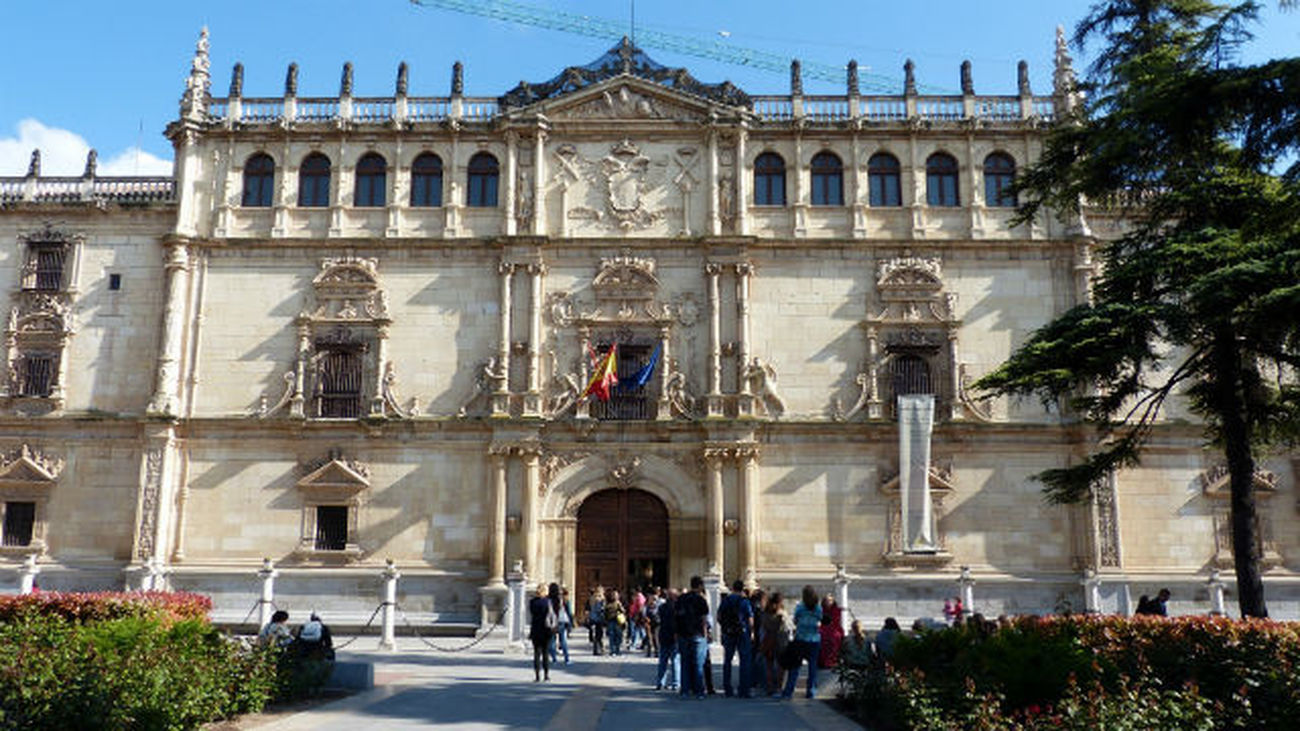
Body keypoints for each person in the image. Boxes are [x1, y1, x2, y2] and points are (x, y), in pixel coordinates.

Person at [781, 585, 823, 700]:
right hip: (814, 640)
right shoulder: (818, 608)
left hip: (800, 639)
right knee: (812, 667)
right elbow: (821, 620)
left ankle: (788, 691)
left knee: (794, 667)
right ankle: (811, 691)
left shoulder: (800, 607)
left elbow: (795, 620)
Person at [675, 576, 710, 699]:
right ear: (700, 586)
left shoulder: (681, 598)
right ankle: (699, 691)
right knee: (698, 664)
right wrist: (706, 635)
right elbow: (704, 619)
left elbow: (677, 617)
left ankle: (685, 690)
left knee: (685, 663)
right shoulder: (701, 600)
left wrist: (677, 634)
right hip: (697, 634)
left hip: (683, 634)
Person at [718, 580, 754, 698]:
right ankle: (744, 690)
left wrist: (724, 627)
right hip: (742, 632)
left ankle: (728, 689)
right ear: (742, 588)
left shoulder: (726, 600)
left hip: (729, 632)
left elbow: (719, 616)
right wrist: (751, 631)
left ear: (732, 587)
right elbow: (750, 619)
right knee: (744, 661)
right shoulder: (745, 601)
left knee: (727, 660)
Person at [760, 592, 792, 697]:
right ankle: (779, 687)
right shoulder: (782, 613)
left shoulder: (765, 613)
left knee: (769, 665)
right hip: (781, 641)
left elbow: (763, 627)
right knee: (781, 666)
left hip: (768, 640)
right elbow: (788, 627)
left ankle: (769, 688)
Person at [528, 584, 557, 681]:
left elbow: (531, 613)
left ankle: (537, 676)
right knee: (545, 653)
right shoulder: (548, 602)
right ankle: (546, 675)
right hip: (546, 630)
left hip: (535, 629)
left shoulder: (532, 602)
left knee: (536, 653)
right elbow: (552, 614)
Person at [654, 588, 679, 691]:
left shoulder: (661, 607)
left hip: (663, 635)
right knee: (675, 661)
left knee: (663, 661)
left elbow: (657, 620)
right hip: (674, 636)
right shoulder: (677, 608)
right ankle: (676, 683)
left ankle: (660, 682)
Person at [548, 582, 572, 666]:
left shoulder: (548, 600)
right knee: (563, 640)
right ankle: (566, 658)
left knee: (552, 640)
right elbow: (568, 612)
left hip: (553, 621)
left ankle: (554, 659)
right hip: (562, 621)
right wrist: (570, 624)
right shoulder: (563, 599)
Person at [818, 594, 844, 669]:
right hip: (823, 628)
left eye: (830, 600)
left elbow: (836, 622)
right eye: (827, 600)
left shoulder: (836, 610)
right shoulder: (820, 610)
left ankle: (833, 660)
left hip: (834, 629)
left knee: (836, 636)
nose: (828, 602)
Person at [604, 589, 626, 656]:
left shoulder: (618, 603)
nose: (615, 596)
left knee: (617, 636)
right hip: (611, 621)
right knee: (612, 636)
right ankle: (613, 650)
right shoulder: (608, 603)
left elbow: (623, 611)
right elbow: (605, 612)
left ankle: (616, 649)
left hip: (617, 621)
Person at [588, 587, 605, 655]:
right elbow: (599, 609)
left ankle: (595, 649)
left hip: (592, 618)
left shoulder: (592, 598)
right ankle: (600, 649)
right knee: (599, 635)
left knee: (596, 635)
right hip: (598, 619)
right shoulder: (599, 599)